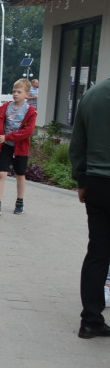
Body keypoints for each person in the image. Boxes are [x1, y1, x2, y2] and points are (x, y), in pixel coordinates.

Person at [69, 77, 110, 338]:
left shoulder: (93, 95)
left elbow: (78, 143)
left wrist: (81, 179)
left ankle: (91, 320)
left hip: (97, 182)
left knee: (98, 252)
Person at [0, 78, 37, 217]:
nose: (15, 94)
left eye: (19, 92)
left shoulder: (30, 111)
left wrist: (8, 137)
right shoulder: (5, 108)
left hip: (21, 148)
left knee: (20, 175)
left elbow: (29, 131)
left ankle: (20, 202)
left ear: (27, 94)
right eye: (14, 91)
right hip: (6, 147)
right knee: (1, 174)